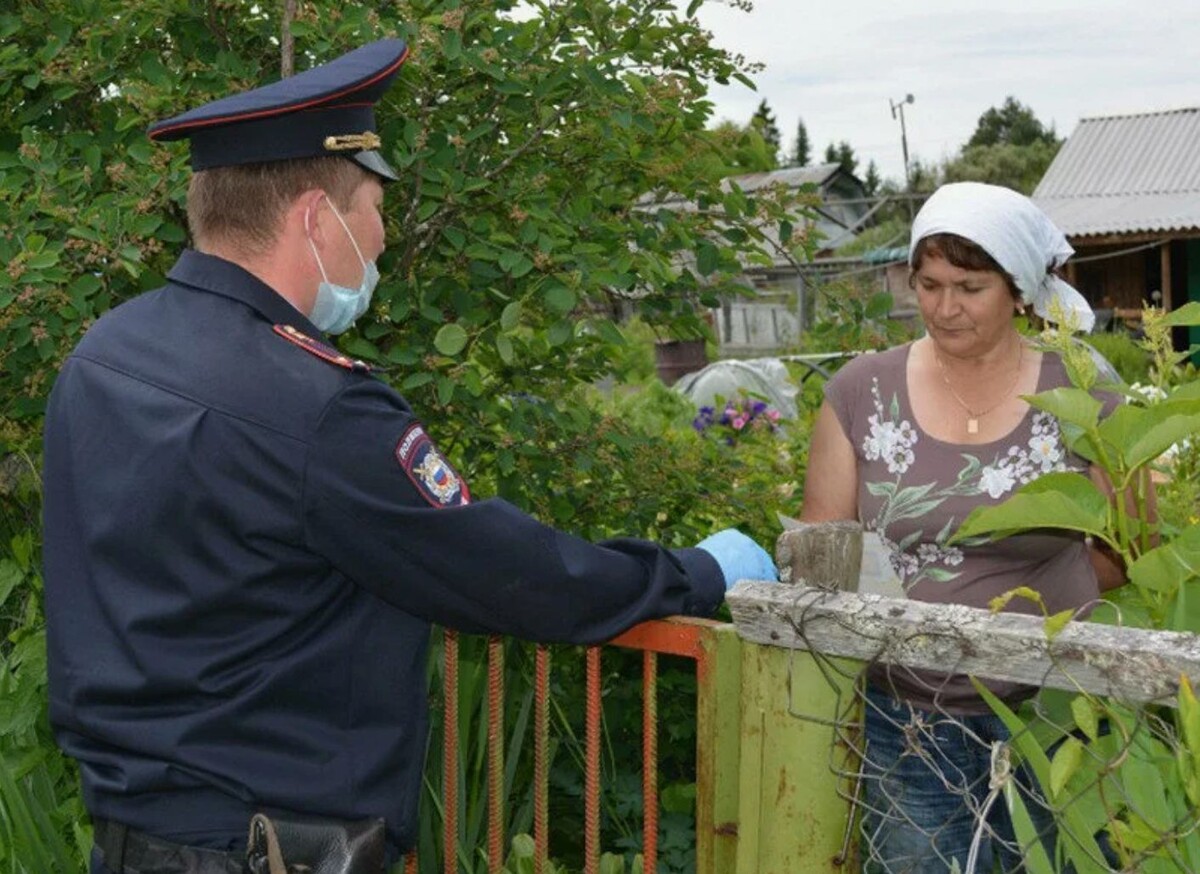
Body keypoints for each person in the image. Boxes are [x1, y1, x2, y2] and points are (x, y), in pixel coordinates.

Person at [41, 39, 777, 874]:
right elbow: (512, 575)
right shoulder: (317, 407)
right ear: (316, 218)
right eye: (376, 208)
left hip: (129, 844)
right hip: (266, 850)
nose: (384, 239)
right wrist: (696, 574)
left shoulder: (105, 354)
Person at [800, 182, 1128, 872]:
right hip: (907, 716)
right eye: (929, 283)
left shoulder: (1080, 389)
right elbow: (821, 550)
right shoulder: (862, 392)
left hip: (1056, 714)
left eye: (970, 287)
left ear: (1019, 290)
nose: (945, 308)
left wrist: (1036, 617)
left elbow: (1124, 550)